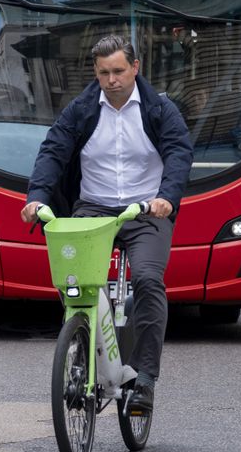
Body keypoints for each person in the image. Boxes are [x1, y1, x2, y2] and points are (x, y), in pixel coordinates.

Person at [20, 35, 194, 415]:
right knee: (75, 282)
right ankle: (85, 351)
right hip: (94, 211)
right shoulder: (81, 109)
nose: (112, 79)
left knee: (148, 280)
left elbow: (179, 150)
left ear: (135, 68)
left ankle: (145, 377)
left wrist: (166, 196)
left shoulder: (159, 109)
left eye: (118, 71)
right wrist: (36, 197)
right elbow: (53, 150)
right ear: (95, 73)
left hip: (146, 211)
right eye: (103, 73)